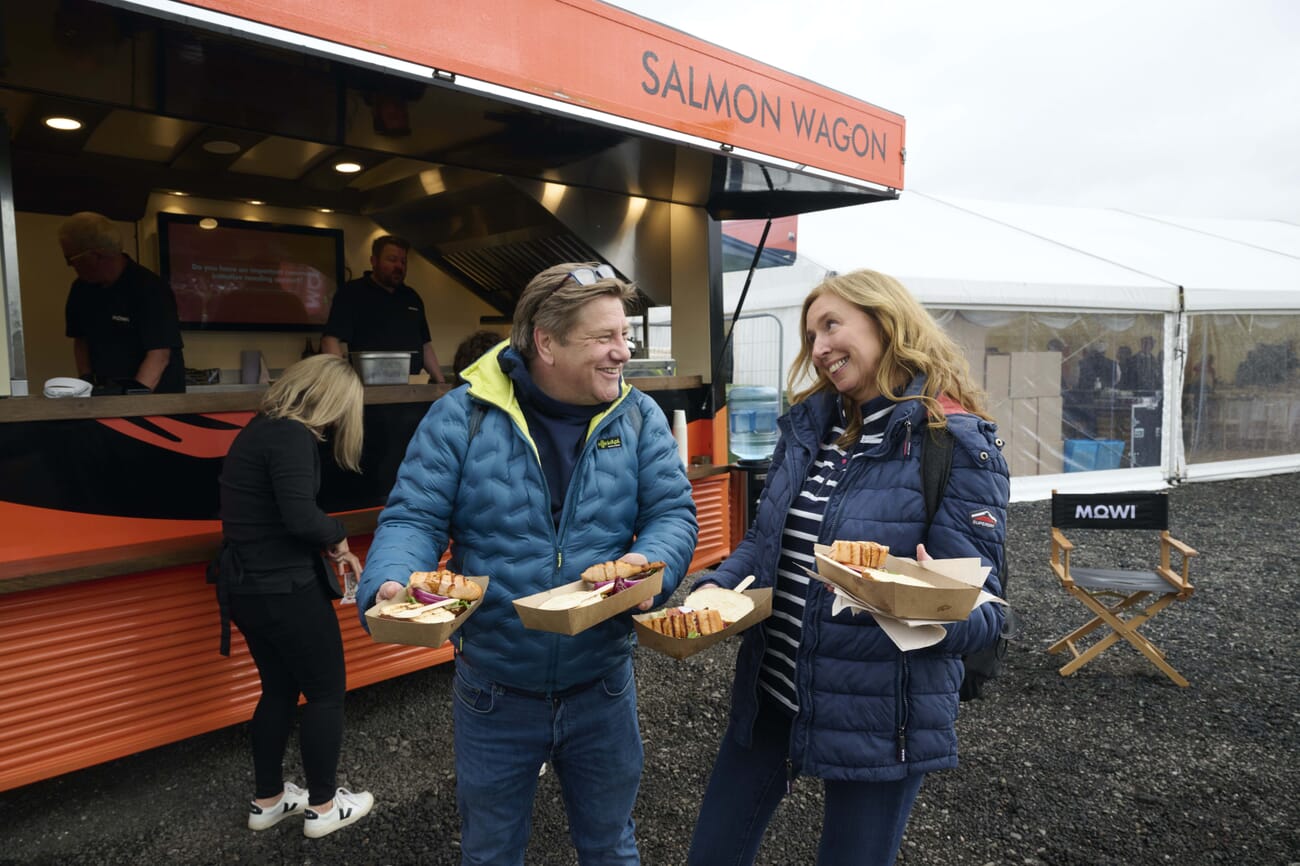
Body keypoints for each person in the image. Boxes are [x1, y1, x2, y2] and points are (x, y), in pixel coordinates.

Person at [356, 262, 697, 865]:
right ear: (546, 341)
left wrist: (653, 563)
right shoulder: (463, 415)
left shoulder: (638, 416)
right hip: (495, 689)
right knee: (491, 852)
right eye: (605, 338)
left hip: (603, 685)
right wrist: (389, 580)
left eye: (626, 335)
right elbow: (412, 519)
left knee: (611, 846)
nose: (624, 352)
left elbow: (673, 512)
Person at [686, 269, 1009, 866]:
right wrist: (710, 591)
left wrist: (915, 597)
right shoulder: (808, 429)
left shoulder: (955, 444)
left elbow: (987, 615)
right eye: (811, 335)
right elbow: (763, 543)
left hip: (879, 717)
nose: (819, 348)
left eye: (832, 324)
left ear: (886, 322)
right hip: (773, 693)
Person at [215, 354, 374, 839]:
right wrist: (341, 537)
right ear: (330, 399)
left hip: (245, 588)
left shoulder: (259, 429)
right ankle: (324, 808)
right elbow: (301, 517)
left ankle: (268, 800)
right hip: (285, 589)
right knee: (326, 692)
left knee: (279, 690)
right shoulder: (291, 436)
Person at [59, 211, 186, 393]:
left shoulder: (150, 288)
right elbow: (81, 340)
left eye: (70, 259)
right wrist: (86, 382)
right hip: (108, 395)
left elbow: (159, 355)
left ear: (96, 255)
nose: (70, 266)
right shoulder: (81, 289)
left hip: (155, 398)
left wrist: (130, 405)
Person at [320, 235, 446, 383]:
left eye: (403, 262)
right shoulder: (352, 293)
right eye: (392, 260)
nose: (399, 266)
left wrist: (441, 384)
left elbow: (425, 347)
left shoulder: (412, 297)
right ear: (374, 261)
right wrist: (341, 384)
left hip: (411, 392)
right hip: (367, 393)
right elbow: (330, 341)